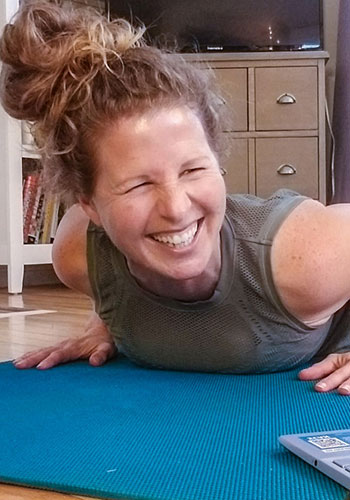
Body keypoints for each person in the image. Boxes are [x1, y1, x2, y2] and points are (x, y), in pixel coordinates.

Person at [1, 1, 350, 395]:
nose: (176, 208)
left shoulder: (305, 258)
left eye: (193, 170)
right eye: (138, 185)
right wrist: (105, 323)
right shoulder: (78, 257)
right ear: (89, 206)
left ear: (218, 162)